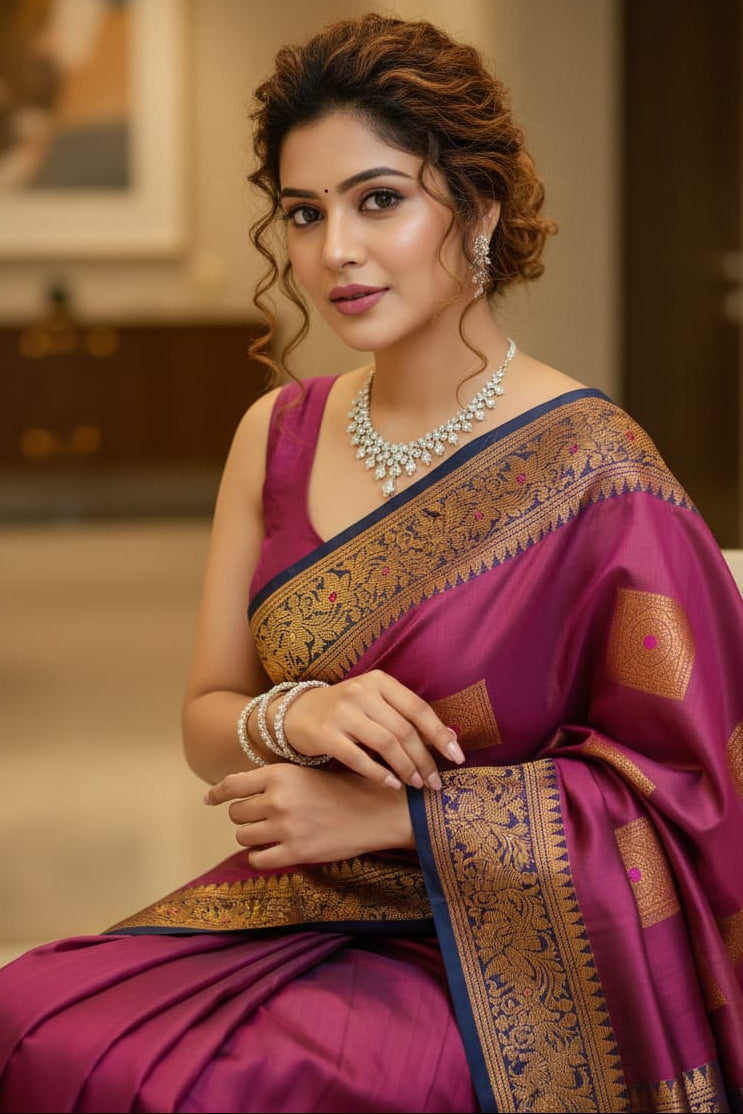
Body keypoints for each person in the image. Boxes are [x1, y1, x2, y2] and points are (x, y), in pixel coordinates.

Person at [1, 11, 742, 1113]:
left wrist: (401, 817)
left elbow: (688, 796)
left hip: (507, 957)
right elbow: (209, 716)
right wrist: (288, 718)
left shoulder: (594, 469)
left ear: (477, 207)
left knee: (224, 1087)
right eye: (304, 213)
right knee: (32, 1020)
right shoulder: (278, 433)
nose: (331, 250)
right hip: (295, 901)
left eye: (377, 200)